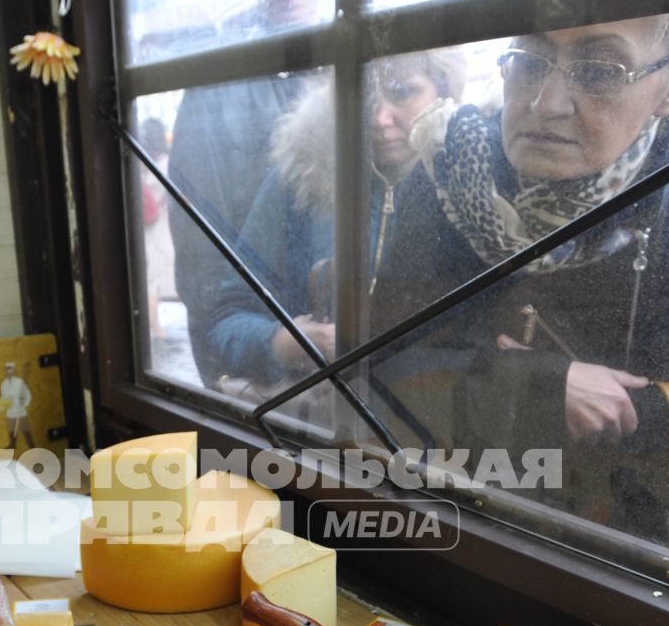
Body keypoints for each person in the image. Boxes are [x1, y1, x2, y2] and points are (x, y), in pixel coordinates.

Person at [371, 0, 669, 558]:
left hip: (639, 540)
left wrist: (623, 409)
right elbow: (384, 355)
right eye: (530, 60)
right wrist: (541, 387)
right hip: (462, 511)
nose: (545, 102)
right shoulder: (448, 168)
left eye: (601, 69)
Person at [200, 49, 468, 391]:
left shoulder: (477, 190)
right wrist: (281, 344)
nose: (379, 117)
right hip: (317, 421)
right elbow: (226, 319)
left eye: (403, 92)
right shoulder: (299, 178)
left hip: (437, 424)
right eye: (364, 96)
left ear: (444, 91)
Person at [165, 0, 321, 387]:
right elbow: (201, 263)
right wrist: (230, 382)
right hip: (266, 371)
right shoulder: (214, 90)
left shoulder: (373, 78)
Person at [0, 360, 36, 449]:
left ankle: (31, 445)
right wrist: (1, 405)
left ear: (14, 370)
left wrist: (24, 403)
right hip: (11, 410)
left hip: (20, 410)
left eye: (11, 369)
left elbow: (27, 394)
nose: (9, 371)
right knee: (11, 429)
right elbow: (3, 397)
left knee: (25, 429)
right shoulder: (4, 384)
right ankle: (12, 444)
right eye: (7, 369)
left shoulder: (20, 382)